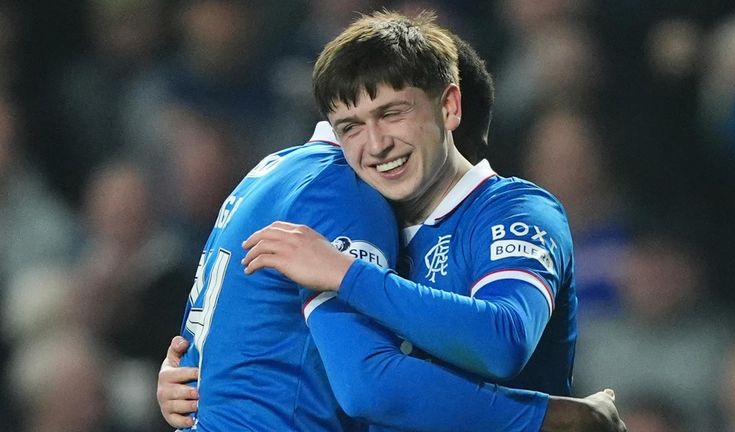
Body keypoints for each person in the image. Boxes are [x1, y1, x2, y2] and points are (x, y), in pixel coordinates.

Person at [158, 13, 625, 432]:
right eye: (351, 127)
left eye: (392, 114)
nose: (376, 144)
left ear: (449, 108)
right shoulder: (357, 215)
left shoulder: (516, 211)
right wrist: (200, 384)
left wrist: (346, 274)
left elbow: (503, 339)